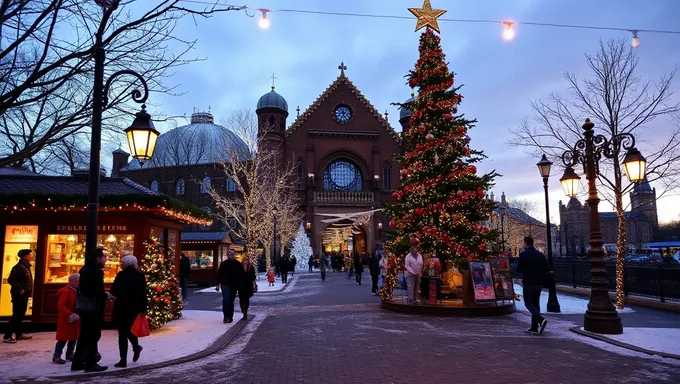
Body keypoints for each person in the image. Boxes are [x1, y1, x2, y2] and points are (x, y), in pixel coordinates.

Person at [72, 248, 111, 372]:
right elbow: (96, 291)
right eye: (103, 257)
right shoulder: (95, 271)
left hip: (84, 307)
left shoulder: (85, 269)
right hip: (93, 307)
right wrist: (105, 295)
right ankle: (90, 363)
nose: (105, 259)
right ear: (97, 258)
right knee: (93, 335)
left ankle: (78, 362)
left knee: (84, 335)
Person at [110, 255, 147, 368]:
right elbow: (143, 293)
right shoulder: (140, 276)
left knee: (122, 333)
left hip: (122, 307)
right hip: (135, 308)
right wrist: (143, 309)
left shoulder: (121, 275)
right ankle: (136, 347)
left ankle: (123, 360)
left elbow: (113, 291)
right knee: (131, 330)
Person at [516, 236, 549, 335]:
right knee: (536, 304)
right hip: (539, 283)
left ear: (525, 243)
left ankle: (541, 320)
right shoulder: (540, 255)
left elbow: (518, 269)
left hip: (528, 282)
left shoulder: (524, 255)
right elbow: (547, 268)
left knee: (528, 303)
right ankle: (534, 327)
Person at [3, 249, 34, 344]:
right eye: (29, 255)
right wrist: (20, 289)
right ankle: (8, 335)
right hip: (18, 295)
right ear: (24, 256)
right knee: (17, 314)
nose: (30, 256)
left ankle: (18, 333)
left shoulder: (25, 267)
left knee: (20, 314)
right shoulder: (19, 267)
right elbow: (11, 280)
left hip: (24, 294)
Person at [53, 274, 80, 364]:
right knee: (63, 338)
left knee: (73, 338)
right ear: (71, 281)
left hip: (74, 318)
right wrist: (70, 314)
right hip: (67, 319)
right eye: (77, 280)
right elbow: (61, 305)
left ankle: (69, 354)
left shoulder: (76, 291)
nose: (79, 282)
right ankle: (57, 355)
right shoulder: (66, 291)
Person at [216, 250, 243, 323]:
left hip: (234, 285)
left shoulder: (238, 264)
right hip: (225, 284)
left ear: (234, 255)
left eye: (232, 254)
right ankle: (226, 316)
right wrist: (217, 284)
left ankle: (230, 316)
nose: (231, 255)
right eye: (230, 254)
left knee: (231, 300)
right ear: (228, 255)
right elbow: (219, 274)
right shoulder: (224, 264)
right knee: (226, 299)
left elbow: (241, 275)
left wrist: (240, 285)